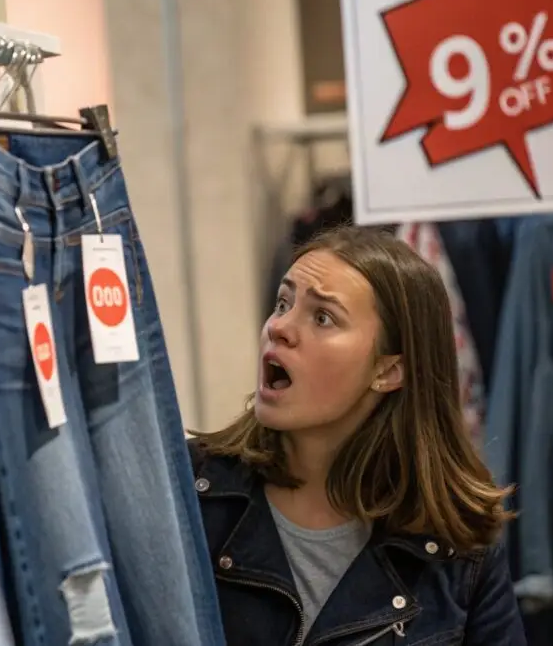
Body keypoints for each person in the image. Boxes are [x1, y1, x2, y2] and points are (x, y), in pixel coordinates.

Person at [188, 225, 526, 645]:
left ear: (388, 370)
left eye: (322, 317)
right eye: (283, 303)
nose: (279, 328)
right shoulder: (190, 493)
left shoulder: (459, 550)